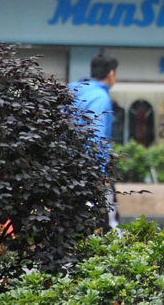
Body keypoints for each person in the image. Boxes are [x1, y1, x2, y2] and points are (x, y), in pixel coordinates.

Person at [68, 52, 120, 232]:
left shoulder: (72, 90)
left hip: (65, 169)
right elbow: (97, 137)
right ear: (111, 74)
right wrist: (100, 175)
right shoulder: (100, 97)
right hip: (90, 172)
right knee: (108, 223)